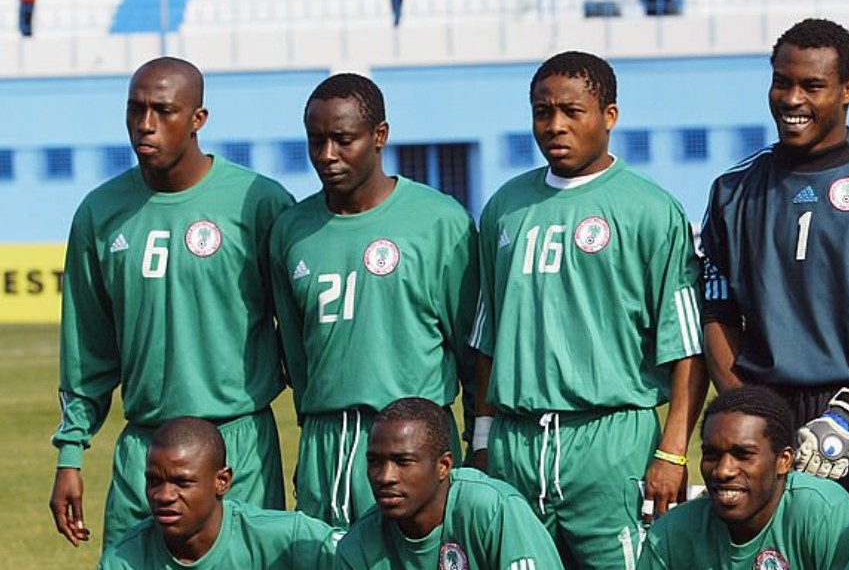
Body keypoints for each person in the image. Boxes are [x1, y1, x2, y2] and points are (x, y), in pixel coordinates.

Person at [469, 50, 708, 569]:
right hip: (518, 441)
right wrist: (483, 437)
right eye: (542, 111)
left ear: (609, 117)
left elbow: (686, 344)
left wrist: (672, 452)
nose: (555, 126)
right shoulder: (505, 208)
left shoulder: (650, 209)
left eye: (572, 112)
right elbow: (487, 337)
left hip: (611, 440)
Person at [50, 57, 292, 548]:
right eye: (135, 110)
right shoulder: (99, 213)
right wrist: (70, 453)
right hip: (145, 448)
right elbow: (87, 347)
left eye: (163, 111)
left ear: (198, 119)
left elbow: (301, 329)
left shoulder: (259, 203)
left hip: (236, 445)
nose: (145, 125)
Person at [700, 17, 849, 518]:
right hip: (769, 410)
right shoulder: (733, 190)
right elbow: (716, 314)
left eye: (812, 85)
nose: (791, 99)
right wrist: (750, 410)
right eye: (782, 82)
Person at [270, 72, 478, 528]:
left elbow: (472, 354)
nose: (327, 155)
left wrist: (477, 441)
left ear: (380, 136)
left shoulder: (440, 221)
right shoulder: (291, 230)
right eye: (316, 140)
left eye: (343, 140)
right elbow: (297, 355)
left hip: (413, 446)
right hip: (327, 444)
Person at [637, 386, 849, 569]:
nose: (723, 471)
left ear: (784, 461)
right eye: (712, 454)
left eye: (743, 454)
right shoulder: (671, 534)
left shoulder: (822, 513)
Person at [337, 397, 562, 570]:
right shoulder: (358, 545)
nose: (385, 477)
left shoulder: (494, 510)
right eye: (375, 461)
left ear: (443, 465)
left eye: (403, 461)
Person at [99, 418, 342, 570]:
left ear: (222, 481)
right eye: (154, 481)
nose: (163, 496)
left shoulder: (288, 538)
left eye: (182, 482)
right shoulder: (123, 560)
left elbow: (361, 556)